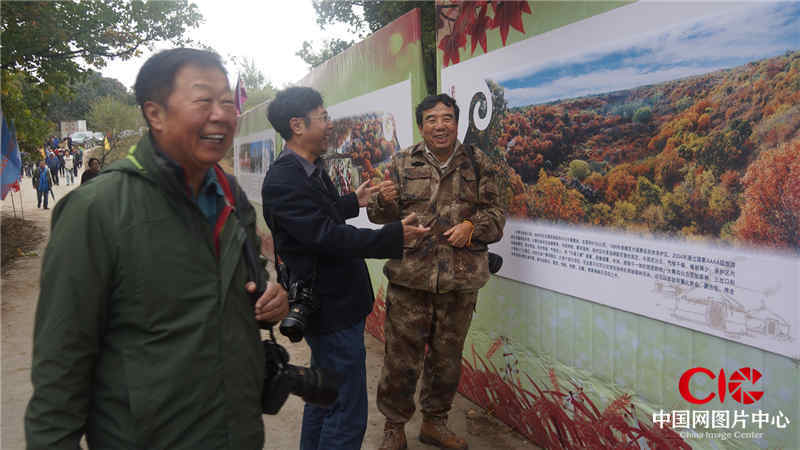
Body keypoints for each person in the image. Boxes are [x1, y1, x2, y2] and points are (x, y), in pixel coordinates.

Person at [25, 48, 290, 450]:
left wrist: (270, 297)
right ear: (155, 114)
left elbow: (246, 284)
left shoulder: (230, 196)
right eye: (203, 101)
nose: (221, 114)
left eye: (226, 101)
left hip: (237, 432)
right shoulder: (97, 210)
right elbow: (61, 366)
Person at [261, 86, 429, 450]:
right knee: (347, 410)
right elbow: (324, 237)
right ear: (298, 125)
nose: (329, 124)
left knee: (325, 396)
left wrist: (353, 201)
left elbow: (316, 218)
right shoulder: (285, 178)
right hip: (329, 305)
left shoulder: (307, 168)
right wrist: (393, 236)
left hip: (336, 302)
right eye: (323, 117)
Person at [367, 94, 506, 450]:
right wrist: (382, 200)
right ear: (421, 125)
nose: (440, 125)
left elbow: (497, 215)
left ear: (457, 122)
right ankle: (394, 427)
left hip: (459, 282)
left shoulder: (478, 163)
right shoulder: (402, 162)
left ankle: (434, 423)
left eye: (446, 118)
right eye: (431, 119)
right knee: (401, 360)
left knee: (446, 361)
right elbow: (379, 218)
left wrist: (472, 226)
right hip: (410, 278)